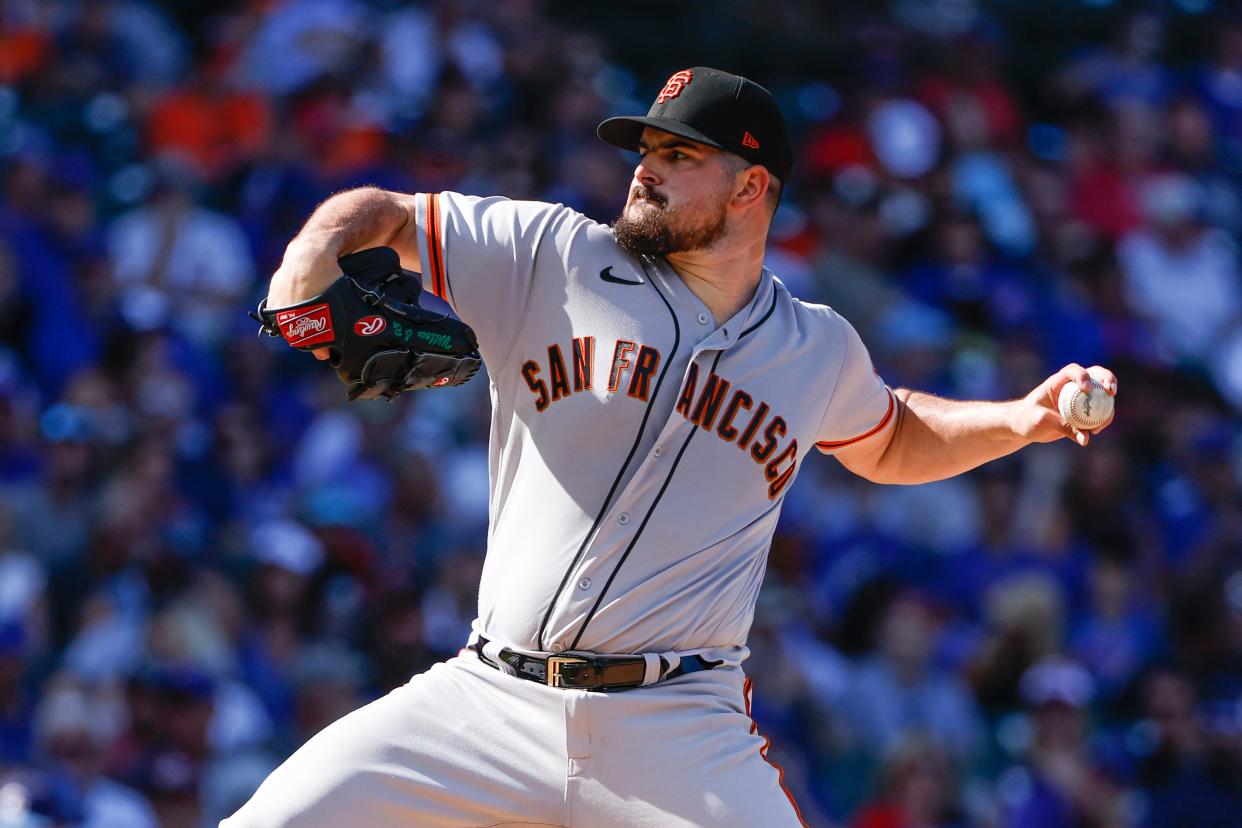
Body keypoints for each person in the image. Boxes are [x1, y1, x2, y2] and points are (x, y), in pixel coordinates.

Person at [225, 67, 1117, 828]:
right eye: (645, 152)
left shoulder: (814, 346)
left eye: (678, 156)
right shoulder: (550, 253)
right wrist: (309, 260)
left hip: (680, 724)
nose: (645, 173)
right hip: (489, 698)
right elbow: (381, 212)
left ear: (750, 188)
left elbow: (890, 439)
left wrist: (1024, 419)